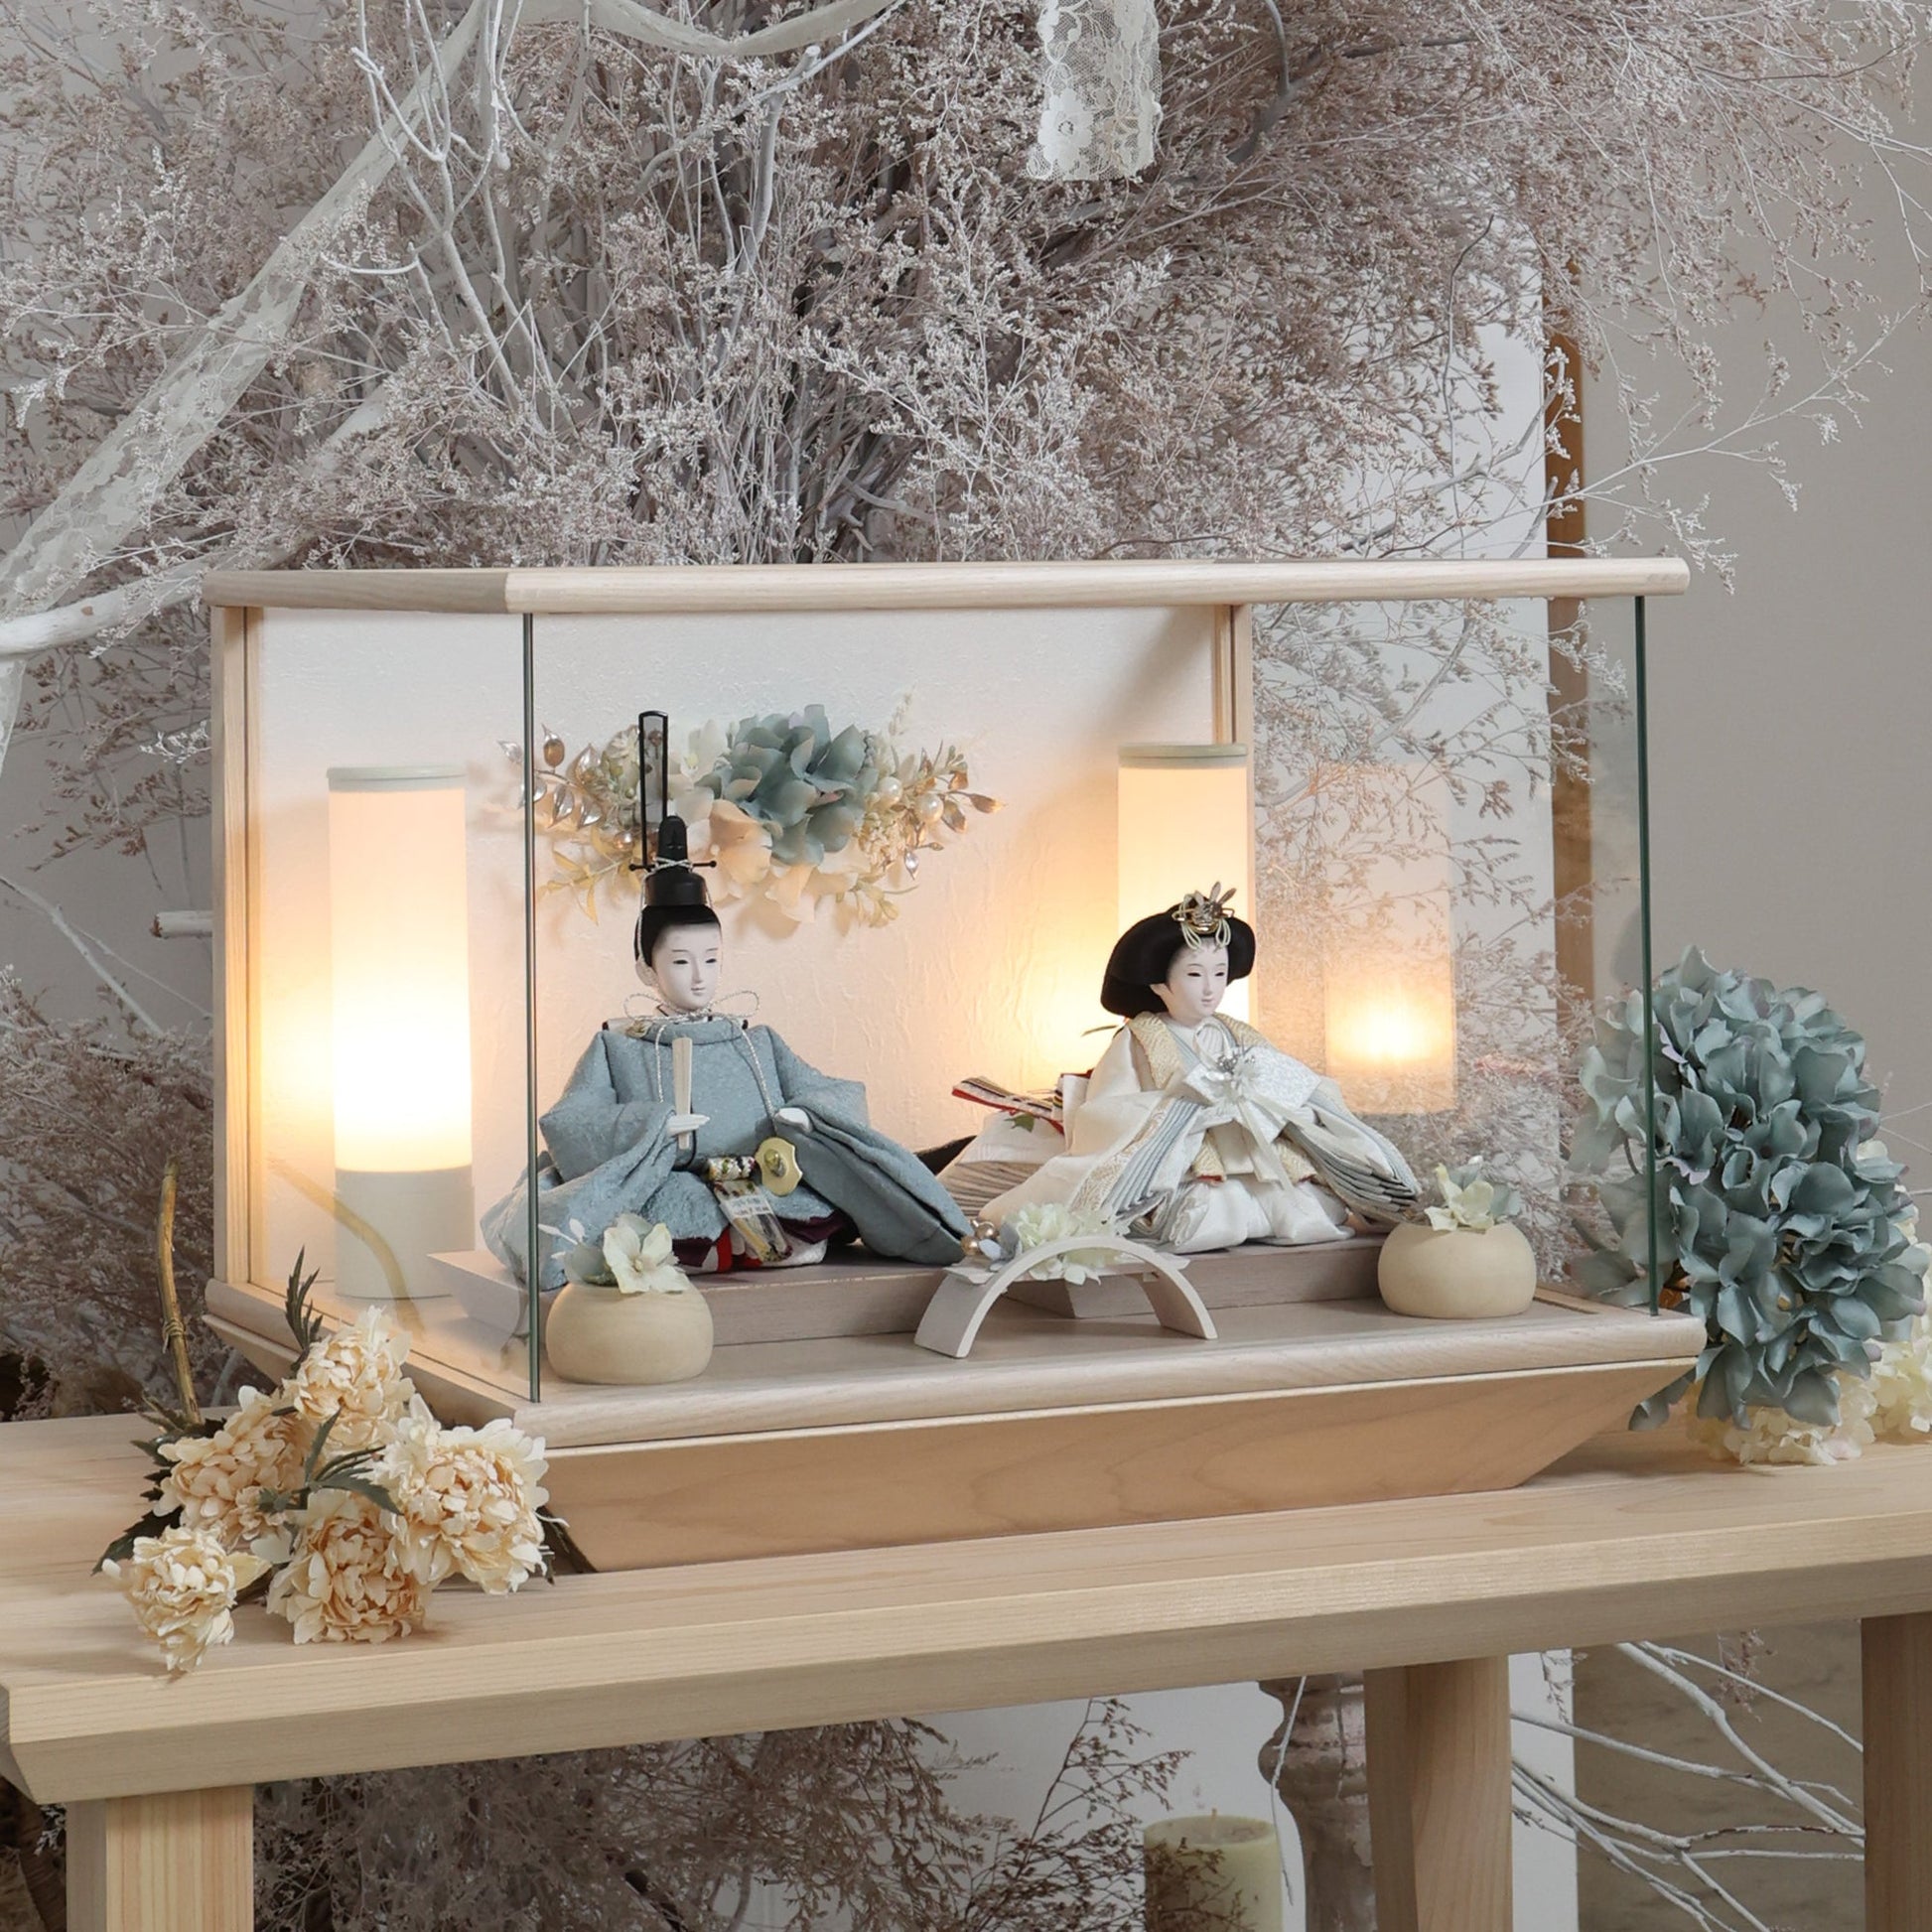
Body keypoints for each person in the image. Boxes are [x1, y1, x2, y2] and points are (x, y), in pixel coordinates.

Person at [482, 812, 969, 1288]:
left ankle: (746, 1249)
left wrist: (804, 1117)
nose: (700, 977)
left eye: (711, 959)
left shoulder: (753, 1039)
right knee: (657, 1229)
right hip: (671, 1181)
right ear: (647, 969)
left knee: (802, 1231)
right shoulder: (619, 1044)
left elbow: (830, 1091)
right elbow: (572, 1119)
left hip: (760, 1180)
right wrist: (651, 1126)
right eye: (681, 962)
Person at [982, 887, 1419, 1252]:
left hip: (1257, 1160)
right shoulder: (1138, 1040)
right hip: (1188, 1168)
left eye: (1219, 973)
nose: (1210, 989)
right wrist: (1185, 1110)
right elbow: (1105, 1114)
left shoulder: (1237, 1034)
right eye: (1194, 975)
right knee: (1214, 1212)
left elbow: (1298, 1087)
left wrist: (1268, 1101)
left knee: (1304, 1208)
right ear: (1159, 983)